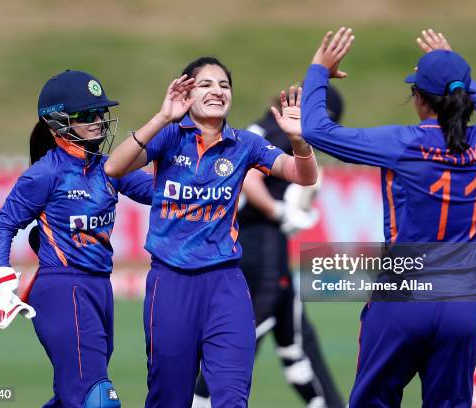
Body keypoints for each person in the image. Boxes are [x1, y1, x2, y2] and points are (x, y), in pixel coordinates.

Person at [300, 28, 476, 406]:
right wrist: (463, 80)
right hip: (462, 303)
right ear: (461, 97)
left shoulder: (403, 142)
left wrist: (318, 71)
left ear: (419, 98)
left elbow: (316, 130)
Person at [104, 56, 319, 407]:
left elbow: (303, 175)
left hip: (225, 285)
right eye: (206, 84)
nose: (217, 91)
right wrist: (162, 117)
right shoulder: (169, 136)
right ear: (187, 93)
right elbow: (114, 166)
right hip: (170, 284)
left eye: (224, 85)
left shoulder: (245, 144)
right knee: (168, 397)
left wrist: (299, 141)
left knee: (232, 398)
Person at [0, 69, 155, 408]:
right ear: (58, 122)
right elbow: (3, 226)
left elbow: (162, 194)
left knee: (71, 398)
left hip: (99, 289)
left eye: (100, 113)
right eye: (85, 114)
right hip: (63, 291)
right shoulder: (46, 173)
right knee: (98, 400)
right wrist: (0, 284)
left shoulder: (109, 169)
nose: (98, 120)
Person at [193, 86, 345, 408]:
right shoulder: (279, 132)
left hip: (251, 242)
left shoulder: (261, 126)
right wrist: (278, 211)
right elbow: (247, 176)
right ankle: (200, 399)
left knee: (297, 338)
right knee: (242, 335)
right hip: (261, 247)